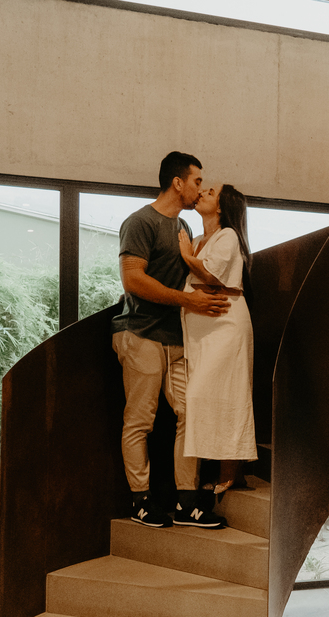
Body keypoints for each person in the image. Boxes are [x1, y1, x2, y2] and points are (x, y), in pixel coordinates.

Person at [112, 151, 231, 529]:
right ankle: (141, 501)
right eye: (197, 181)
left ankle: (186, 502)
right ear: (178, 183)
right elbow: (133, 279)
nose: (200, 188)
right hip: (140, 334)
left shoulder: (184, 228)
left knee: (190, 413)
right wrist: (188, 301)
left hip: (177, 339)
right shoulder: (140, 222)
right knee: (140, 421)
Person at [178, 184, 258, 494]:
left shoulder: (228, 236)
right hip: (203, 330)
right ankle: (226, 471)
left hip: (226, 325)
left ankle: (230, 470)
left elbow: (211, 274)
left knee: (226, 393)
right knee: (208, 397)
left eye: (210, 192)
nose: (202, 193)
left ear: (222, 206)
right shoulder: (199, 239)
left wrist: (185, 255)